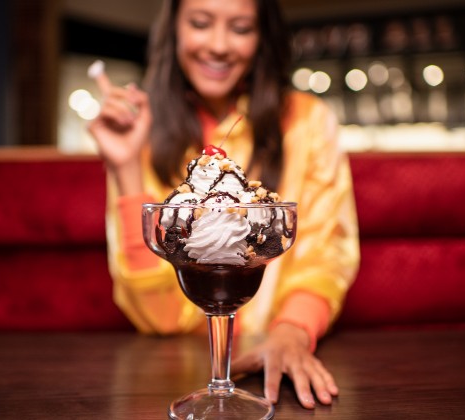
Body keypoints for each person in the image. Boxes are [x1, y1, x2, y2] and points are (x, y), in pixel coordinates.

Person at [88, 0, 359, 410]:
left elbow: (326, 254)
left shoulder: (307, 120)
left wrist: (292, 332)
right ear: (174, 30)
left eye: (240, 28)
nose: (218, 45)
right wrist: (126, 166)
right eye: (200, 23)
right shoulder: (141, 128)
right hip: (173, 373)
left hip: (276, 361)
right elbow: (161, 318)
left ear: (262, 38)